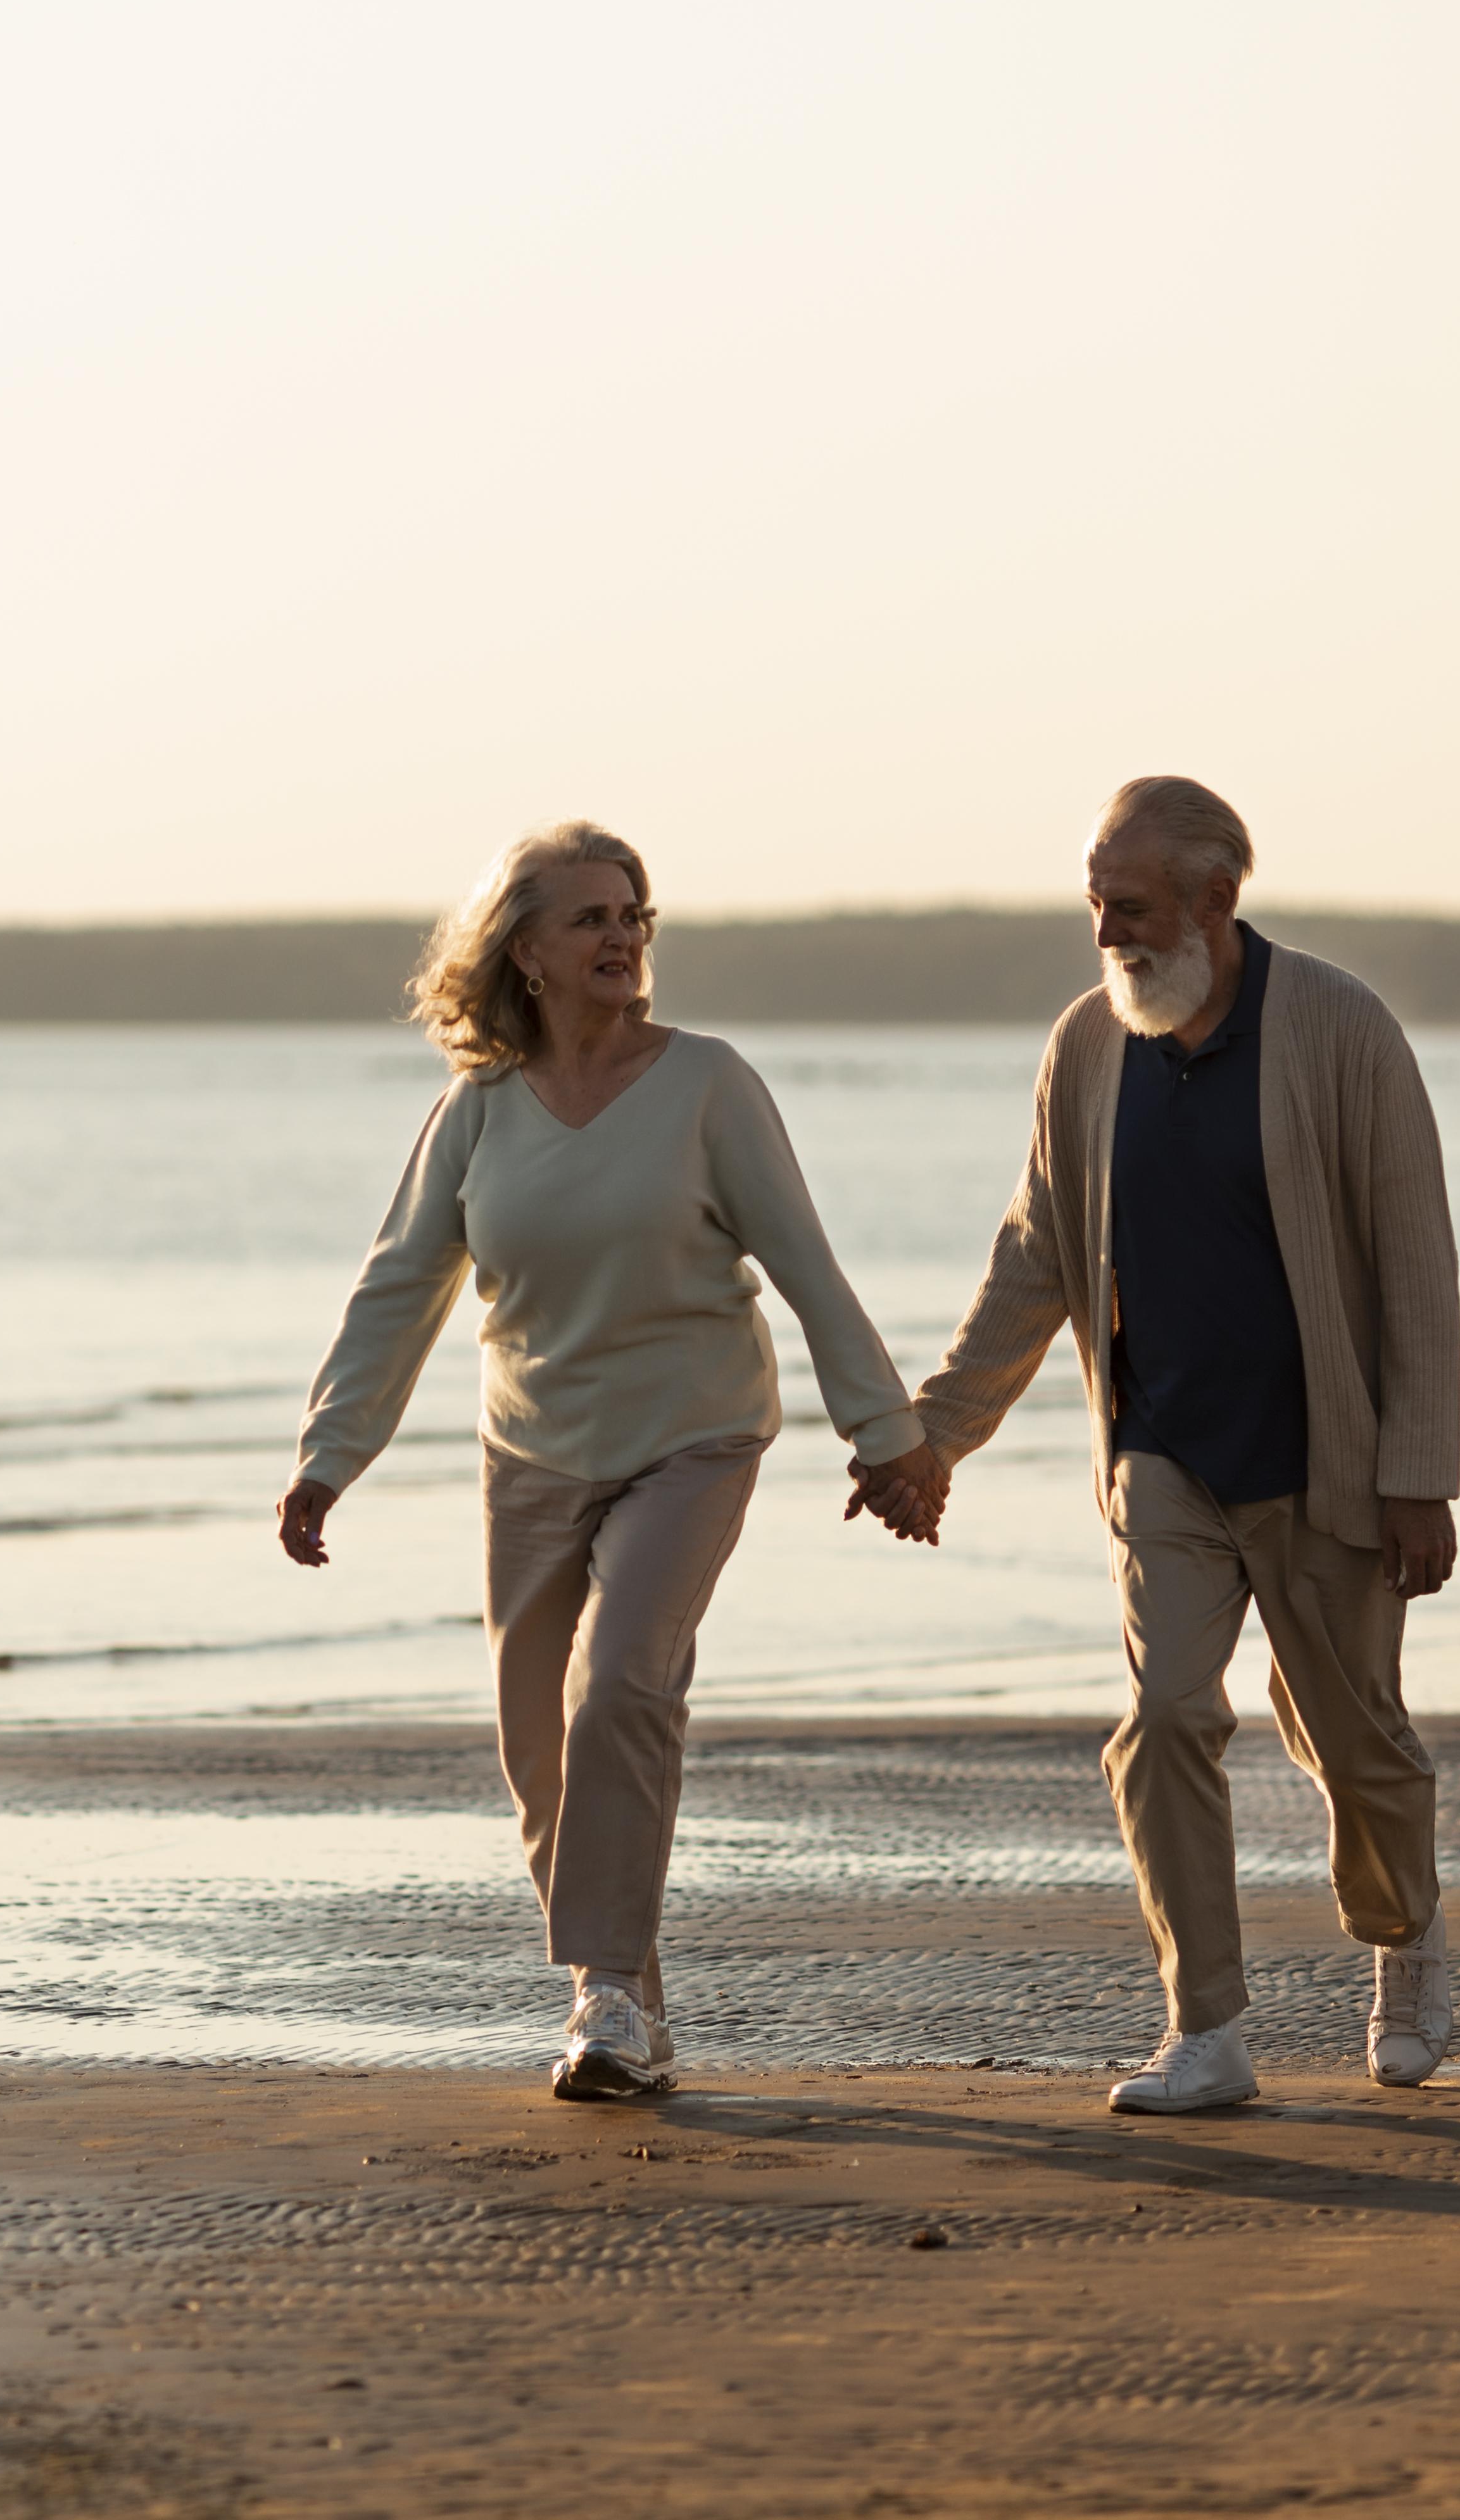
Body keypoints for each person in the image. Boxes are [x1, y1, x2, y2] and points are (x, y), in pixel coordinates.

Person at [279, 822, 942, 2102]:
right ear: (524, 949)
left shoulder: (707, 1083)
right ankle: (629, 1994)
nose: (622, 936)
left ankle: (602, 2001)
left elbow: (805, 1265)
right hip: (529, 1448)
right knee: (539, 1742)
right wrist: (330, 1453)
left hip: (691, 1434)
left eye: (634, 914)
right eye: (590, 917)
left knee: (622, 1685)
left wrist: (886, 1433)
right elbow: (399, 1286)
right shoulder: (475, 1110)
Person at [860, 777, 1460, 2110]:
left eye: (1125, 904)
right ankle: (1207, 2028)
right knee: (1163, 1719)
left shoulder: (1341, 1028)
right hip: (1163, 1456)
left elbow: (1414, 1259)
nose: (1102, 931)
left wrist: (1420, 1473)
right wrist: (935, 1435)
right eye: (1093, 901)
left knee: (1352, 1741)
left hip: (1327, 1461)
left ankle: (1403, 1939)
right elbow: (1035, 1256)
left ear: (1214, 899)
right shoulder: (1088, 1045)